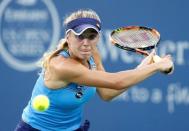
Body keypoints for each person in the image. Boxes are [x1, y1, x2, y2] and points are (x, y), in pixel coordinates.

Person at [15, 9, 173, 131]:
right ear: (68, 37)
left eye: (91, 36)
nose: (86, 42)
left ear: (98, 38)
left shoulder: (92, 54)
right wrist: (157, 66)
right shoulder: (61, 66)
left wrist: (143, 67)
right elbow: (117, 82)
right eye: (80, 36)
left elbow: (106, 93)